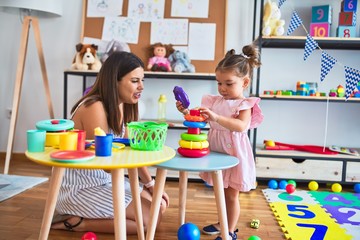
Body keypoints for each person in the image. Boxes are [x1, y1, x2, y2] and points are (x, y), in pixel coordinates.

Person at [51, 51, 170, 234]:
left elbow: (133, 147)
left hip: (105, 180)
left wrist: (150, 185)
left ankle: (96, 215)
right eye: (135, 81)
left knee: (158, 206)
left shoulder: (124, 105)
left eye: (142, 80)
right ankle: (78, 222)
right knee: (150, 221)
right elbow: (108, 163)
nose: (141, 87)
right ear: (115, 81)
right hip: (81, 188)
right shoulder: (94, 107)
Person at [176, 43, 263, 240]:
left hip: (235, 154)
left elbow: (241, 126)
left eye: (229, 83)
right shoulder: (215, 102)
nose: (222, 88)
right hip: (217, 153)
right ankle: (222, 221)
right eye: (219, 83)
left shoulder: (244, 104)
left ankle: (229, 232)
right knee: (220, 192)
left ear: (245, 82)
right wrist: (185, 111)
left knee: (231, 195)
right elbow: (199, 117)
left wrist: (216, 118)